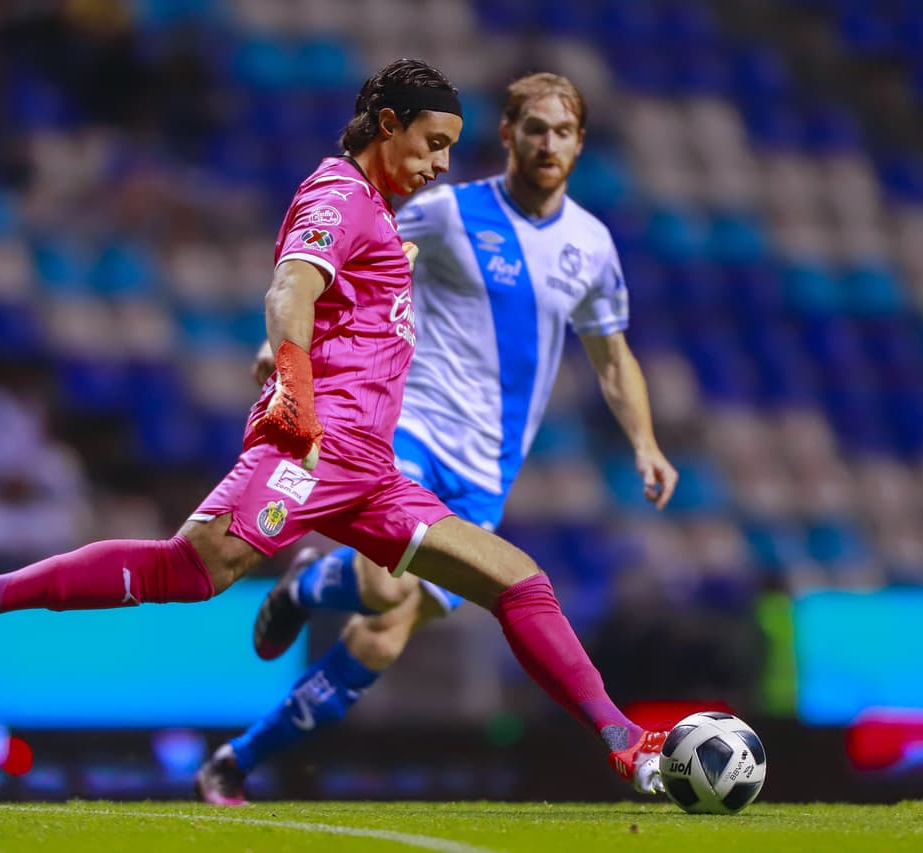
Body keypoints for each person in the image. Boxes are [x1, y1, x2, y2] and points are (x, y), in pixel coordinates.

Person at [0, 59, 666, 801]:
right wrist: (289, 371)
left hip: (373, 472)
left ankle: (625, 739)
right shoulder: (341, 196)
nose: (437, 165)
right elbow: (291, 284)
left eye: (448, 152)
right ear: (386, 124)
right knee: (187, 572)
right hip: (317, 447)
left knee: (518, 580)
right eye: (430, 146)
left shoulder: (396, 215)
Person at [194, 71, 679, 805]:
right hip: (412, 430)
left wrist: (645, 442)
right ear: (509, 134)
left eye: (564, 131)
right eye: (535, 128)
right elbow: (364, 265)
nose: (549, 143)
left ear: (581, 145)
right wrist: (295, 347)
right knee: (385, 581)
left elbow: (613, 357)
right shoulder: (450, 213)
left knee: (384, 636)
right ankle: (312, 583)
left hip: (490, 473)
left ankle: (237, 757)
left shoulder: (592, 246)